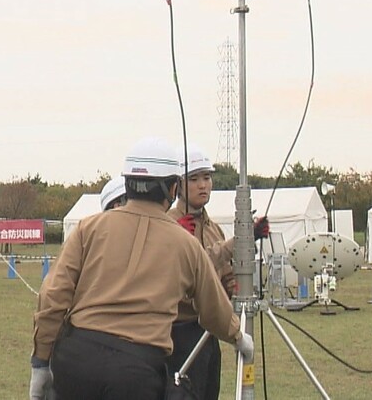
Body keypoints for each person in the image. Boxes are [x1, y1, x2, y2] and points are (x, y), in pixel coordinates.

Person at [29, 137, 253, 400]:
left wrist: (41, 363)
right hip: (137, 370)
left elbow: (52, 297)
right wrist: (239, 337)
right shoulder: (185, 243)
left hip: (75, 360)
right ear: (172, 189)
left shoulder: (88, 228)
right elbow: (213, 309)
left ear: (127, 183)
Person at [166, 146, 270, 400]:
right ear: (178, 185)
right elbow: (195, 268)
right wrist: (239, 240)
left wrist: (238, 284)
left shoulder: (214, 229)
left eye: (207, 178)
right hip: (178, 332)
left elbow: (223, 275)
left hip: (208, 332)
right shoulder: (168, 224)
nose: (203, 185)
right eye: (194, 179)